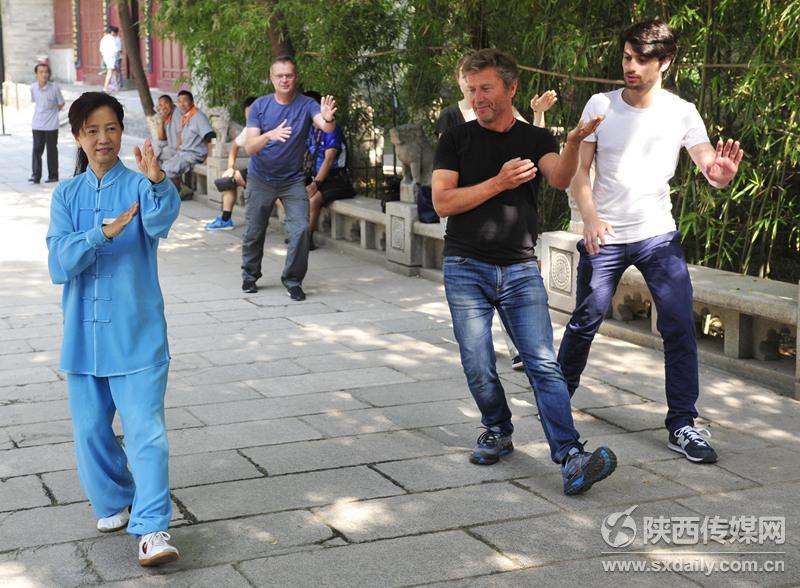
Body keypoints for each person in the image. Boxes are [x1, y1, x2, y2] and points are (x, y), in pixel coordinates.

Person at [557, 19, 744, 464]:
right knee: (586, 319)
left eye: (642, 60)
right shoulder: (600, 104)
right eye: (627, 57)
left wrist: (720, 175)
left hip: (658, 235)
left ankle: (682, 423)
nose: (632, 67)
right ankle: (556, 400)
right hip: (605, 233)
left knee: (679, 325)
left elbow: (708, 166)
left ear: (666, 62)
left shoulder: (681, 111)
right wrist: (589, 218)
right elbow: (581, 171)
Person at [432, 48, 616, 496]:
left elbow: (558, 179)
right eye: (472, 89)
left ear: (511, 89)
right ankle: (497, 427)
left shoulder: (535, 138)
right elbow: (442, 202)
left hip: (518, 268)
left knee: (543, 364)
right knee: (477, 364)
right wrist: (498, 182)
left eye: (486, 88)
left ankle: (572, 456)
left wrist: (572, 142)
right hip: (464, 267)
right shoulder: (456, 139)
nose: (477, 97)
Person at [46, 92, 181, 566]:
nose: (103, 138)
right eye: (92, 131)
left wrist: (159, 180)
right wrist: (99, 234)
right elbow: (59, 263)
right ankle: (112, 497)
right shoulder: (66, 195)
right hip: (84, 337)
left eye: (111, 128)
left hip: (136, 332)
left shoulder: (142, 185)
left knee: (147, 434)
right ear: (79, 137)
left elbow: (163, 219)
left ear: (121, 133)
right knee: (90, 431)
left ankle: (153, 529)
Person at [435, 53, 558, 372]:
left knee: (511, 284)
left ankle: (518, 347)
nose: (475, 92)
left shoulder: (503, 109)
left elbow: (530, 146)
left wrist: (538, 115)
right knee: (476, 350)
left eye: (483, 85)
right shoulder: (453, 121)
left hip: (511, 226)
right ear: (461, 82)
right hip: (466, 221)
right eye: (469, 83)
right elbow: (445, 175)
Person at [242, 55, 337, 300]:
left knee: (301, 229)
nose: (284, 80)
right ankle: (250, 275)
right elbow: (250, 147)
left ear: (295, 78)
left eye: (289, 75)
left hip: (292, 180)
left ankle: (293, 280)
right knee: (254, 231)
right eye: (280, 75)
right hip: (260, 178)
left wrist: (328, 117)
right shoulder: (260, 107)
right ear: (271, 78)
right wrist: (269, 135)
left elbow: (325, 126)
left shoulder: (306, 104)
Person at [304, 91, 355, 248]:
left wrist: (315, 185)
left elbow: (329, 159)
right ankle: (296, 233)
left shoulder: (331, 128)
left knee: (313, 200)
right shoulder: (310, 129)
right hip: (320, 178)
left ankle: (306, 240)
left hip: (337, 180)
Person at [206, 96, 257, 231]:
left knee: (277, 195)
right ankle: (225, 219)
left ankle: (293, 229)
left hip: (272, 174)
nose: (251, 118)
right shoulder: (249, 129)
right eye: (248, 115)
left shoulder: (272, 127)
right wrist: (230, 167)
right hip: (255, 171)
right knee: (228, 180)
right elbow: (234, 147)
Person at [161, 90, 214, 192]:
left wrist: (210, 157)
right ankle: (181, 190)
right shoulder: (186, 116)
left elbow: (212, 136)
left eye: (185, 101)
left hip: (194, 154)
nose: (182, 104)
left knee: (169, 170)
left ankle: (177, 194)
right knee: (164, 167)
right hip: (184, 153)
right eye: (179, 101)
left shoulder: (198, 116)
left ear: (192, 102)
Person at [29, 62, 65, 184]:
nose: (44, 74)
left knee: (51, 151)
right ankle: (36, 175)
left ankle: (53, 175)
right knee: (36, 150)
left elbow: (61, 103)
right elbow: (35, 102)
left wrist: (52, 113)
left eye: (46, 72)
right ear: (36, 74)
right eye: (41, 72)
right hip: (37, 124)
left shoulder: (55, 87)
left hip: (51, 125)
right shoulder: (33, 87)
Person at [154, 94, 180, 162]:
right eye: (161, 105)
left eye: (166, 103)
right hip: (170, 146)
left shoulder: (178, 113)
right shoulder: (167, 116)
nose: (164, 107)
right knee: (154, 148)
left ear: (171, 103)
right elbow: (161, 138)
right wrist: (161, 121)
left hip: (178, 149)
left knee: (155, 155)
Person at [100, 27, 121, 92]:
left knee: (115, 70)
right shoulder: (112, 38)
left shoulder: (104, 38)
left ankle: (115, 85)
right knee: (110, 72)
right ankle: (105, 87)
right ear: (112, 32)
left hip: (106, 57)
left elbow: (101, 49)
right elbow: (115, 50)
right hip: (112, 58)